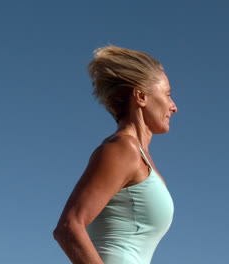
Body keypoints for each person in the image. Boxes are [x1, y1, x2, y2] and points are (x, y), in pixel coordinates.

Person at [53, 45, 178, 264]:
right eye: (167, 94)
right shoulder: (122, 149)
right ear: (141, 96)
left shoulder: (141, 159)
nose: (173, 106)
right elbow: (69, 226)